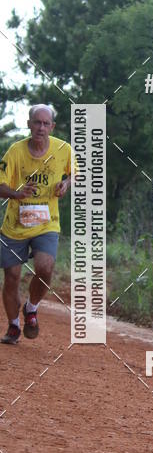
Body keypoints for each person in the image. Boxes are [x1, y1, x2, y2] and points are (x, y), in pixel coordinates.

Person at [0, 104, 73, 344]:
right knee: (11, 276)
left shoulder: (63, 149)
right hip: (15, 225)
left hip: (46, 224)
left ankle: (31, 309)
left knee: (46, 266)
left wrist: (65, 184)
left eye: (45, 123)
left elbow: (73, 173)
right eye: (37, 122)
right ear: (29, 124)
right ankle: (13, 326)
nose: (41, 127)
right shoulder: (15, 152)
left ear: (52, 126)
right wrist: (17, 194)